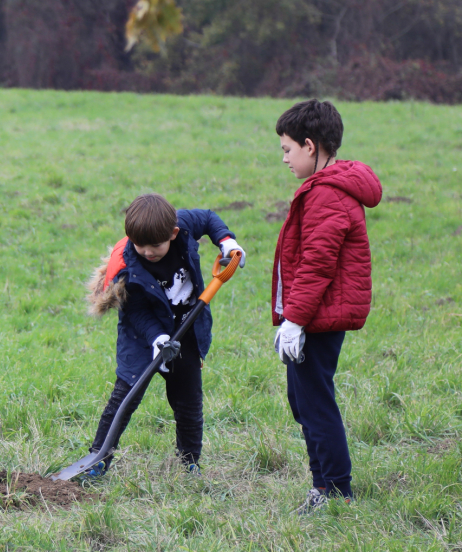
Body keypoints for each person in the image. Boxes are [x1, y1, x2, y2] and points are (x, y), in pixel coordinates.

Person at [83, 193, 245, 477]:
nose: (147, 251)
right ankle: (98, 457)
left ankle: (189, 461)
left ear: (173, 233)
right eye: (139, 245)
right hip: (142, 337)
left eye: (155, 245)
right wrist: (157, 339)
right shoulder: (128, 266)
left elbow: (207, 217)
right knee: (125, 397)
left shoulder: (183, 225)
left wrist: (226, 240)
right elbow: (136, 312)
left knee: (188, 401)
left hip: (186, 332)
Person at [272, 98, 381, 512]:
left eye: (287, 149)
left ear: (310, 146)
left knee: (315, 403)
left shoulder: (327, 196)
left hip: (318, 317)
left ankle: (334, 488)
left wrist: (295, 321)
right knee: (304, 401)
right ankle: (324, 484)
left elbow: (317, 264)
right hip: (313, 315)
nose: (284, 159)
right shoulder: (325, 188)